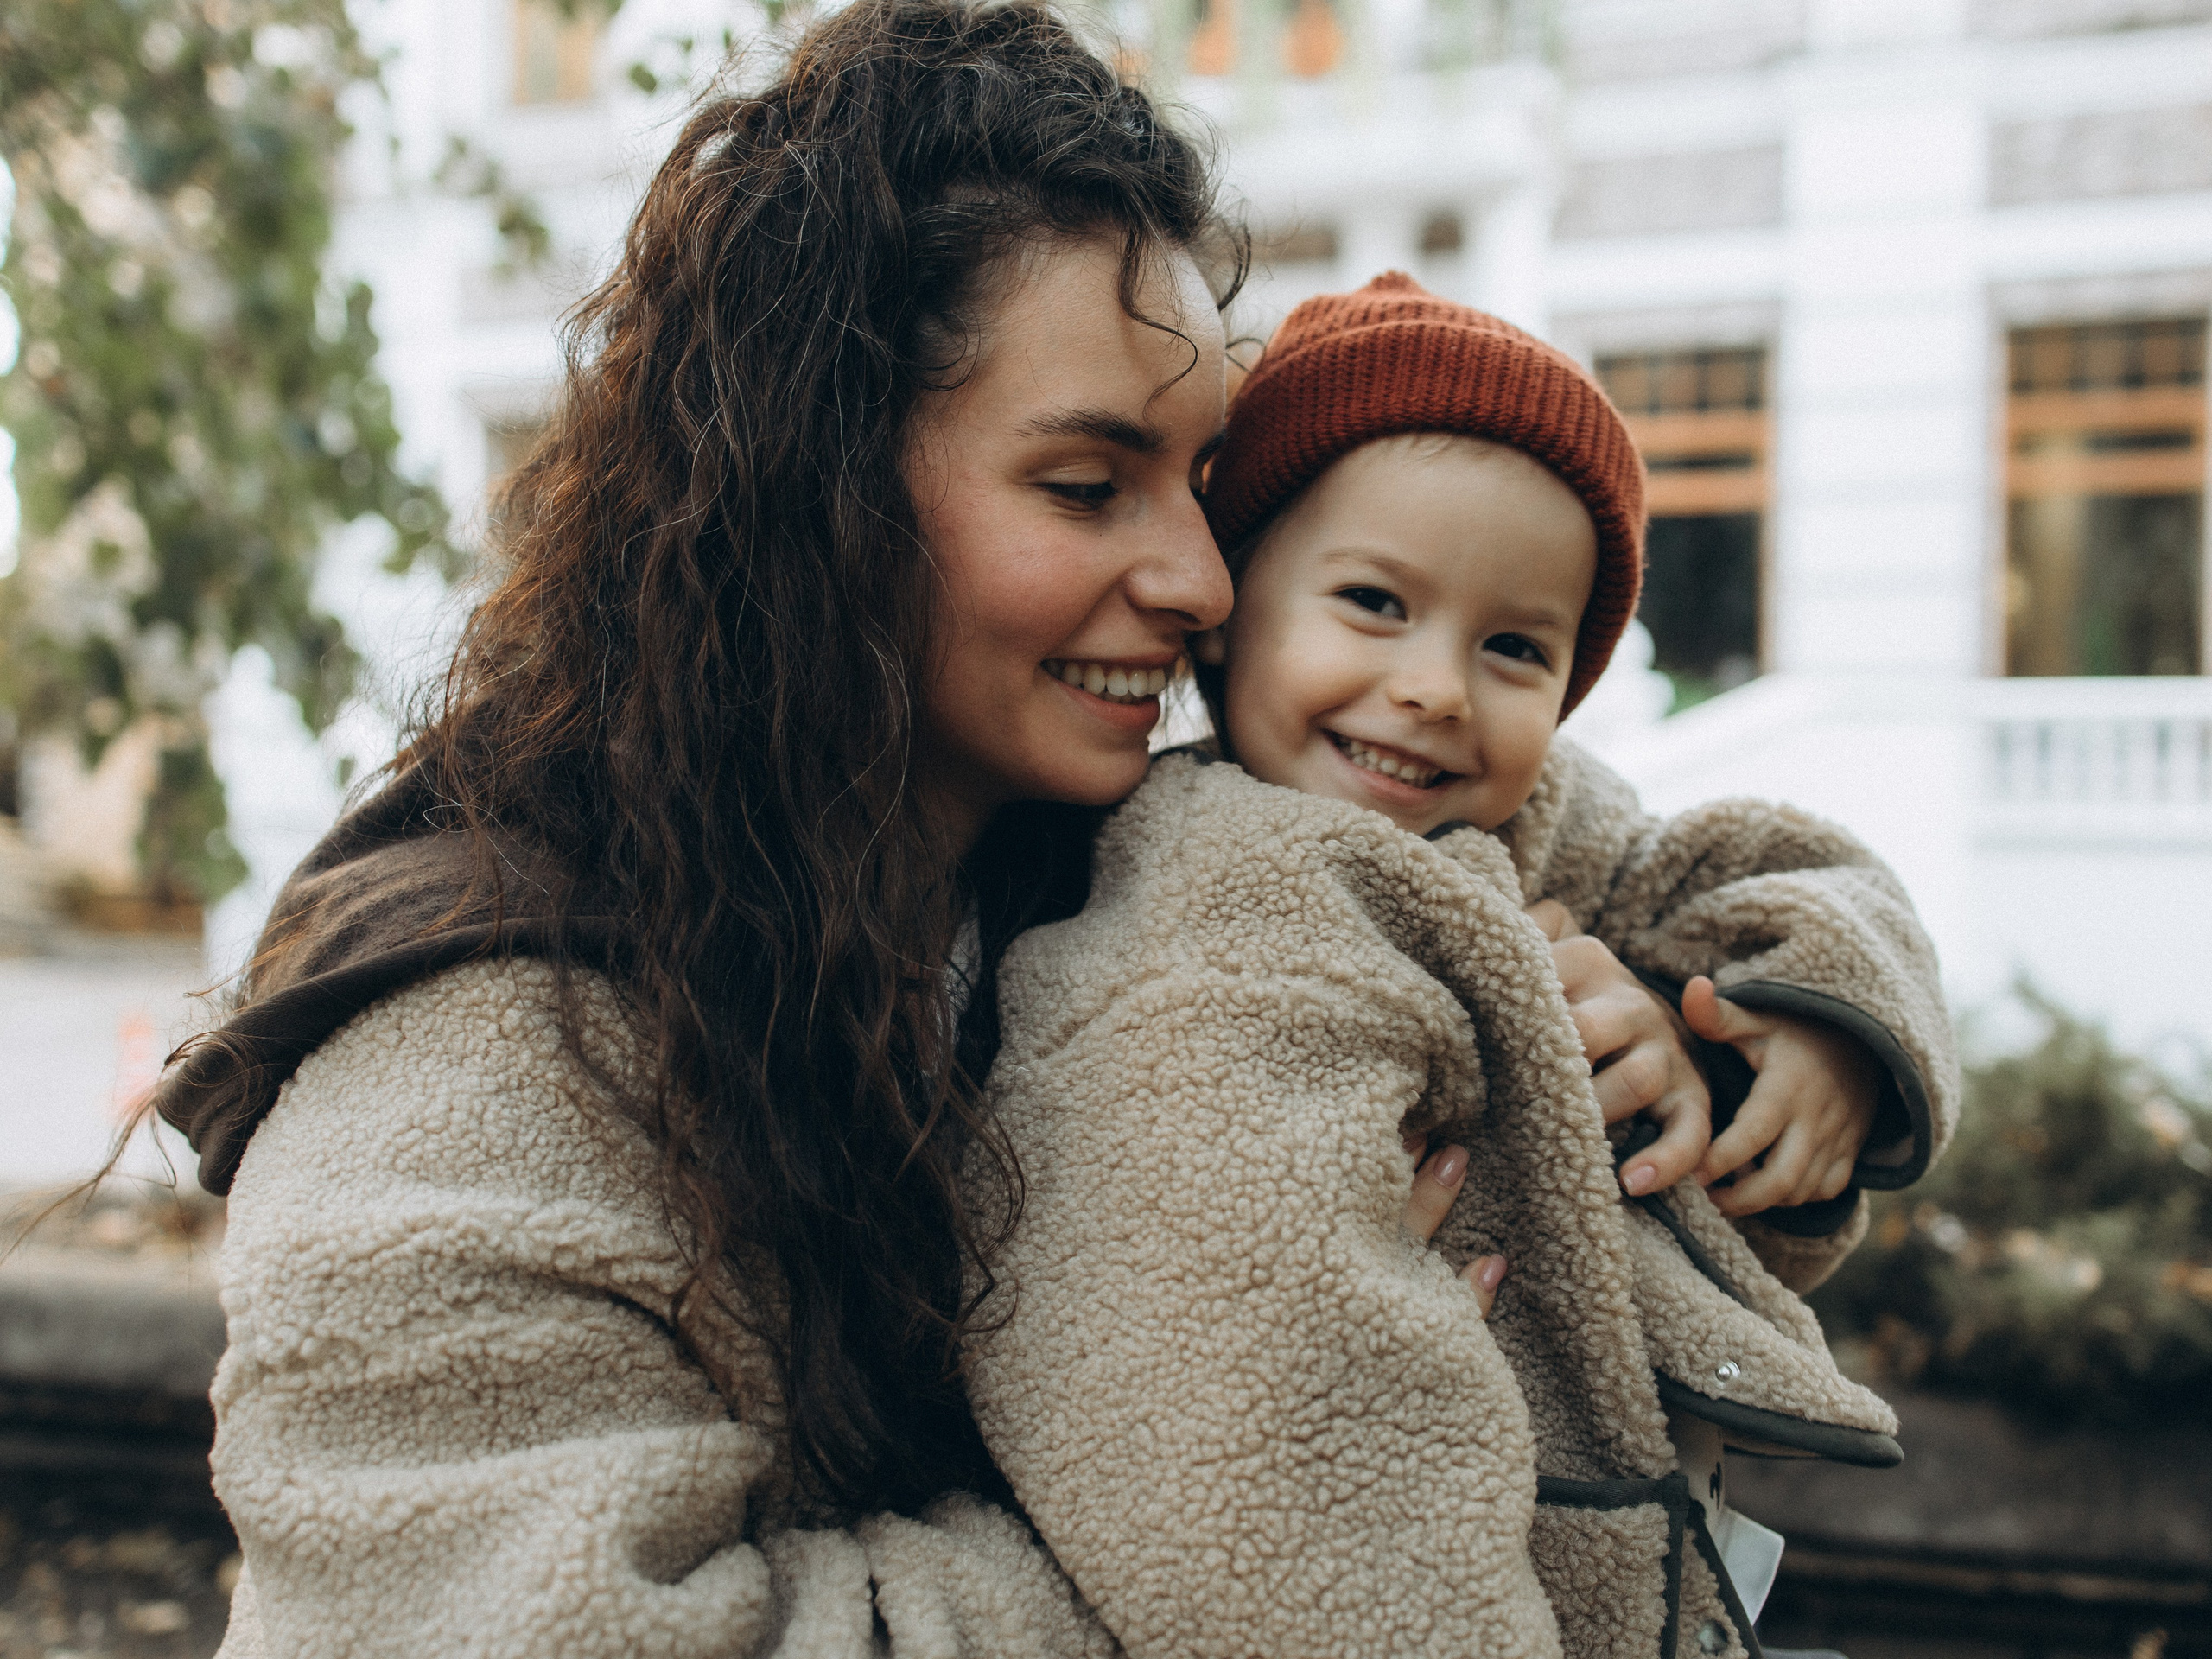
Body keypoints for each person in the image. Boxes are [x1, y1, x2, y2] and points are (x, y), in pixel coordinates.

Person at [143, 6, 1369, 1652]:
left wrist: (1770, 1030)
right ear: (824, 486)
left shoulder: (1111, 885)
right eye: (1087, 488)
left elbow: (1610, 866)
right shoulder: (475, 1053)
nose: (1204, 582)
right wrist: (1224, 1512)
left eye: (1203, 487)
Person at [963, 277, 1961, 1658]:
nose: (1437, 686)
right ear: (1232, 606)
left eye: (1514, 646)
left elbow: (1791, 872)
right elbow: (1260, 1432)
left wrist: (1788, 1038)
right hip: (1430, 1567)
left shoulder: (1534, 822)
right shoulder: (1199, 898)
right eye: (1374, 602)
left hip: (1628, 1553)